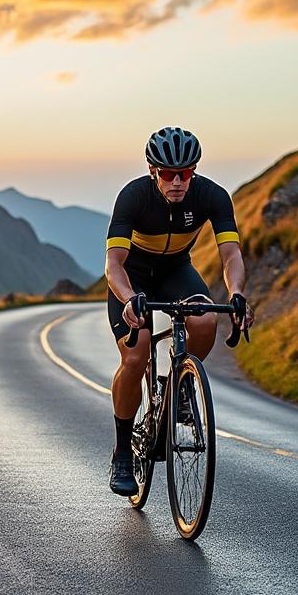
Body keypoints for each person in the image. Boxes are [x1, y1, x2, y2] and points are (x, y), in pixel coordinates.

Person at [105, 127, 254, 496]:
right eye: (168, 174)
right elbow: (113, 264)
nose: (176, 182)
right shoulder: (133, 197)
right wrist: (127, 299)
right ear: (152, 169)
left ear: (194, 171)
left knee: (205, 319)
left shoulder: (212, 196)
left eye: (185, 173)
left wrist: (237, 294)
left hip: (175, 271)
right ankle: (123, 450)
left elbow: (231, 254)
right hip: (133, 276)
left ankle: (177, 386)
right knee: (136, 355)